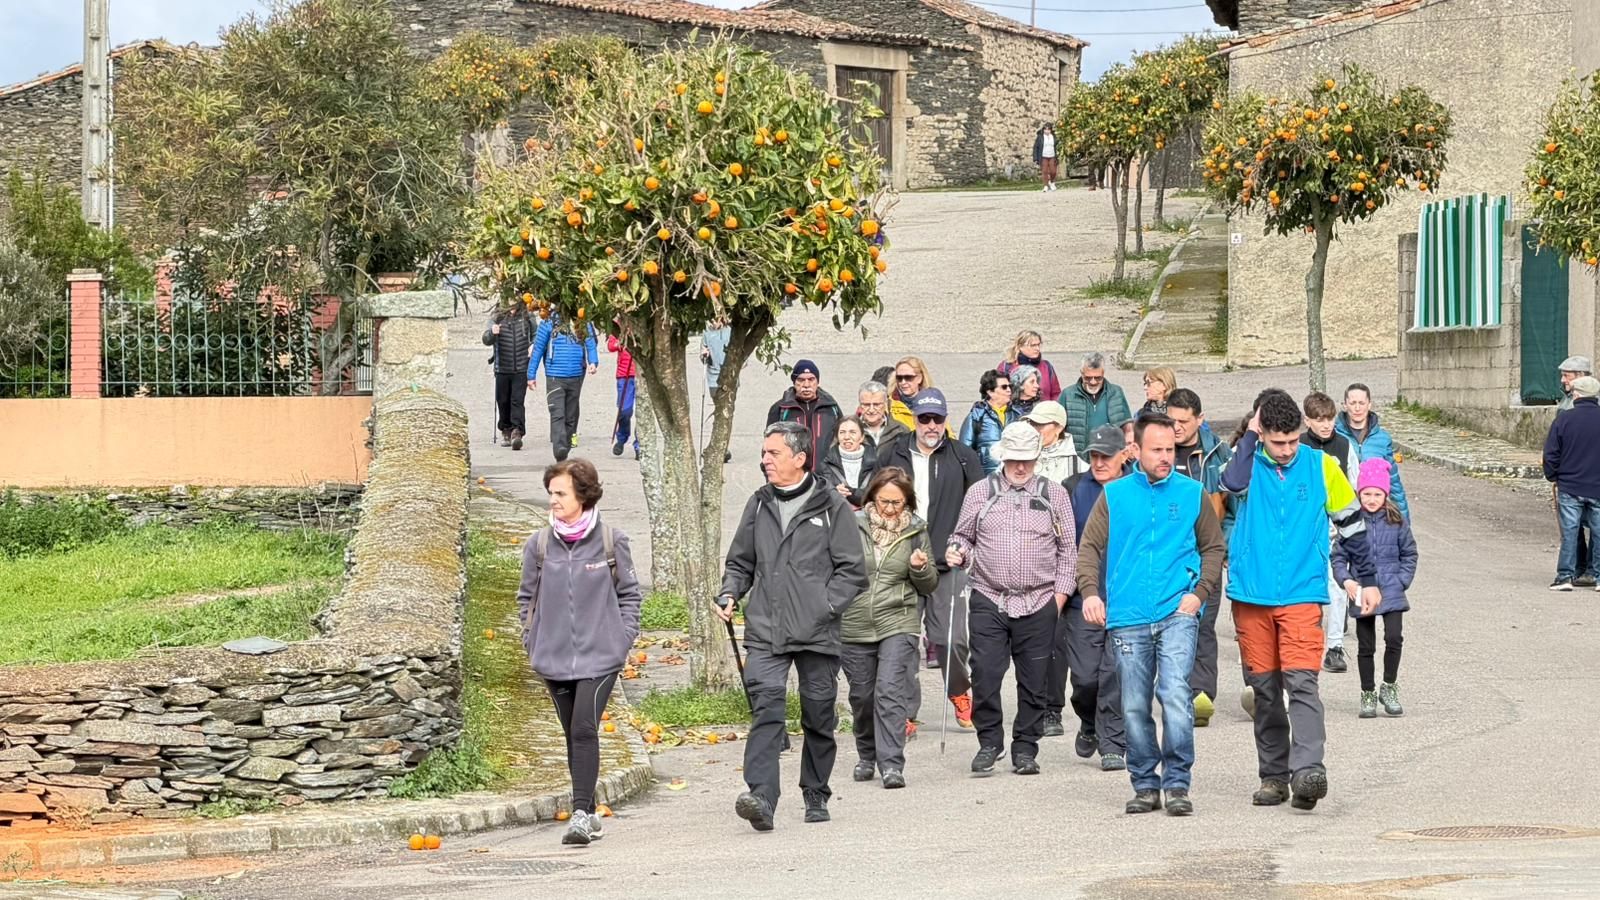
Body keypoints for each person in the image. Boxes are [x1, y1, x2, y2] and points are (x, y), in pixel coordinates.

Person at [1221, 390, 1380, 812]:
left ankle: (1308, 771)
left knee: (1302, 683)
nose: (1288, 449)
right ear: (1262, 434)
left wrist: (1367, 580)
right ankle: (1274, 777)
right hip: (1250, 595)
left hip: (1302, 593)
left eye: (1294, 440)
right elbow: (1230, 485)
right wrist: (1250, 437)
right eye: (1279, 442)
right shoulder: (1246, 463)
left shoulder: (1322, 466)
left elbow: (1352, 526)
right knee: (1265, 690)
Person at [716, 421, 868, 831]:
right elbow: (740, 561)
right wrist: (730, 592)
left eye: (773, 453)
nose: (765, 460)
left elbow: (853, 571)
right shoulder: (759, 503)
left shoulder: (831, 506)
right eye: (764, 453)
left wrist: (825, 605)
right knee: (766, 708)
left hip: (817, 631)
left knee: (818, 713)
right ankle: (762, 797)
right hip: (767, 628)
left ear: (799, 459)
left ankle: (816, 791)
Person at [1079, 414, 1226, 816]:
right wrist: (1090, 593)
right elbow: (1089, 547)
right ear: (1135, 451)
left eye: (1170, 449)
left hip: (1177, 610)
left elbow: (1214, 548)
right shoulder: (1114, 495)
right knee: (1133, 704)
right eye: (1156, 450)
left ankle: (1177, 783)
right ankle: (1145, 783)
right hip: (1127, 616)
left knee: (1175, 694)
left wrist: (1198, 594)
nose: (1165, 457)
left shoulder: (1193, 493)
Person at [516, 458, 642, 846]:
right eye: (550, 493)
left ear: (582, 495)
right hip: (552, 657)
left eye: (561, 493)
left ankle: (581, 815)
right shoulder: (538, 546)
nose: (553, 500)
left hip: (601, 656)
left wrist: (621, 639)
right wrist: (532, 640)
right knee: (572, 732)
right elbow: (525, 599)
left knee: (585, 728)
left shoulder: (611, 541)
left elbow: (629, 595)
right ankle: (587, 812)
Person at [946, 422, 1077, 777]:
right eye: (1014, 459)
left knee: (1035, 681)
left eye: (1027, 459)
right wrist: (957, 550)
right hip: (990, 597)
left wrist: (1059, 597)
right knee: (985, 674)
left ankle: (1025, 748)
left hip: (1039, 600)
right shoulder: (980, 492)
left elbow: (1068, 551)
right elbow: (962, 536)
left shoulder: (1054, 495)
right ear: (1003, 456)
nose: (1020, 467)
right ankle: (990, 742)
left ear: (1037, 458)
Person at [879, 389, 984, 723]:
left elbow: (980, 506)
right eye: (924, 418)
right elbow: (875, 500)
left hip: (946, 563)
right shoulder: (892, 453)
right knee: (904, 641)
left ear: (945, 420)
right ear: (914, 419)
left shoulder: (963, 456)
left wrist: (964, 545)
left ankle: (959, 689)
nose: (931, 425)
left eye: (937, 419)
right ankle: (906, 712)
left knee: (951, 639)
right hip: (902, 563)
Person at [843, 467, 938, 789]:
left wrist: (920, 569)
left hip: (899, 619)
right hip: (855, 621)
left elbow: (929, 584)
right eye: (884, 501)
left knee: (889, 691)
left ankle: (892, 764)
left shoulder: (916, 531)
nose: (889, 509)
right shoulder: (851, 525)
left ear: (907, 502)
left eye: (897, 503)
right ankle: (866, 755)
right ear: (872, 497)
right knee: (862, 697)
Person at [1043, 423, 1127, 771]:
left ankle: (1113, 743)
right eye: (1093, 455)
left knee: (1116, 674)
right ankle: (1089, 720)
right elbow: (1060, 543)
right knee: (1085, 678)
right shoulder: (1072, 487)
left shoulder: (1137, 487)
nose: (1099, 462)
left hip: (1126, 599)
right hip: (1083, 598)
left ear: (1124, 455)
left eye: (1106, 456)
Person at [1164, 388, 1232, 725]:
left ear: (1200, 420)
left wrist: (1224, 545)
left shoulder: (1218, 454)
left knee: (1202, 623)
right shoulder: (1156, 451)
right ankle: (1173, 690)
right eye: (1171, 420)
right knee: (1168, 626)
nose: (1176, 428)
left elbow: (1233, 506)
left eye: (1183, 421)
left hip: (1206, 553)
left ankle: (1200, 696)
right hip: (1167, 555)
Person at [1334, 459, 1417, 719]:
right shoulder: (1351, 523)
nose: (1371, 499)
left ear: (1385, 495)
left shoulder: (1396, 521)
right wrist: (1347, 580)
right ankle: (1367, 691)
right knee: (1365, 645)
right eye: (1366, 494)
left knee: (1394, 638)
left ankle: (1389, 686)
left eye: (1377, 494)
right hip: (1362, 589)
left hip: (1392, 589)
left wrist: (1401, 581)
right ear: (1359, 494)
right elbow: (1338, 558)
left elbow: (1410, 553)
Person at [1301, 391, 1360, 674]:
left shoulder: (1345, 446)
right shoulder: (1299, 447)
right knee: (1306, 588)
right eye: (1319, 420)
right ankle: (1304, 641)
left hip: (1336, 531)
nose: (1326, 425)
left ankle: (1335, 647)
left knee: (1338, 587)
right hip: (1305, 532)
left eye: (1329, 419)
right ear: (1307, 421)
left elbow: (1355, 485)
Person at [1544, 376, 1600, 591]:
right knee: (1599, 533)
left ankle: (1565, 577)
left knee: (1570, 532)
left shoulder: (1564, 419)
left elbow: (1551, 453)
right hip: (1597, 486)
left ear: (1576, 395)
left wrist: (1552, 475)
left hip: (1570, 485)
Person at [528, 312, 599, 461]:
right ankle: (559, 448)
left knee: (571, 416)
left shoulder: (581, 320)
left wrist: (593, 361)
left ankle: (565, 447)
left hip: (576, 375)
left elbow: (590, 342)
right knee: (557, 413)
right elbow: (538, 348)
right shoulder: (548, 321)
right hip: (555, 376)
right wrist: (531, 375)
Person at [1335, 383, 1409, 519]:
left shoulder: (1382, 439)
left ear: (1369, 405)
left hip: (1374, 510)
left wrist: (1404, 522)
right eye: (1353, 403)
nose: (1357, 408)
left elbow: (1393, 482)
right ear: (1345, 405)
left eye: (1362, 403)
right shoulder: (1334, 437)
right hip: (1344, 510)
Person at [767, 359, 843, 473]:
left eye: (811, 379)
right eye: (801, 380)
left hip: (827, 477)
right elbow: (769, 447)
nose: (806, 385)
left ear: (817, 382)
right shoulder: (780, 409)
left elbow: (842, 441)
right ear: (794, 382)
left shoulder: (831, 407)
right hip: (792, 476)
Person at [1556, 357, 1593, 582]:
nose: (1563, 380)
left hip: (1589, 471)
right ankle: (1579, 566)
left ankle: (1591, 569)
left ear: (1580, 376)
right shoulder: (1566, 400)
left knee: (1594, 525)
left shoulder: (1590, 401)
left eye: (1566, 375)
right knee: (1573, 526)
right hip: (1570, 471)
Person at [484, 302, 533, 450]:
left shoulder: (527, 315)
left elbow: (536, 334)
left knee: (517, 400)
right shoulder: (497, 315)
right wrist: (492, 333)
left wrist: (533, 345)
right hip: (502, 367)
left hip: (521, 367)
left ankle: (517, 432)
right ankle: (505, 430)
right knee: (503, 401)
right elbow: (486, 339)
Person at [1063, 352, 1131, 458]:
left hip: (1110, 458)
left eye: (1098, 378)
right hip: (1078, 459)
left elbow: (1127, 426)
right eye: (1088, 378)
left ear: (1103, 373)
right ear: (1081, 373)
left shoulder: (1116, 393)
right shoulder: (1067, 395)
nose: (1093, 382)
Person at [960, 369, 1012, 475]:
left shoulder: (1017, 415)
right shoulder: (976, 416)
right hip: (986, 477)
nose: (1009, 390)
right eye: (1004, 387)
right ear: (990, 392)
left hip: (1013, 476)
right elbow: (964, 452)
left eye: (1010, 386)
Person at [818, 416, 877, 510]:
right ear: (837, 437)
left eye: (852, 432)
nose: (846, 437)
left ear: (862, 437)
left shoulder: (877, 464)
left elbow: (879, 494)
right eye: (842, 432)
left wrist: (849, 492)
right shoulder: (825, 465)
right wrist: (833, 493)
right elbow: (818, 496)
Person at [1024, 401, 1083, 483]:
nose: (1034, 429)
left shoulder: (1078, 468)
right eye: (1032, 423)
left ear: (1059, 428)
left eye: (1040, 424)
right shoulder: (1019, 456)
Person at [998, 330, 1063, 402]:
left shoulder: (1047, 366)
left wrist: (1053, 407)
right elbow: (998, 393)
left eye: (1038, 345)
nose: (1037, 349)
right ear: (1020, 347)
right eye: (1033, 345)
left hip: (1044, 408)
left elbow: (1056, 394)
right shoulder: (1006, 367)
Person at [605, 333, 639, 459]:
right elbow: (611, 346)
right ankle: (622, 437)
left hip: (642, 374)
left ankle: (639, 445)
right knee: (624, 411)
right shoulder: (618, 326)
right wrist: (622, 342)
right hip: (624, 375)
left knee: (642, 412)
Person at [857, 381, 910, 449]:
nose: (871, 410)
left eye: (876, 405)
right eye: (866, 405)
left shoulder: (901, 430)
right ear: (860, 405)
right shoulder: (849, 430)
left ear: (886, 404)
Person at [889, 356, 936, 430]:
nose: (903, 382)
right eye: (899, 378)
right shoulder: (888, 405)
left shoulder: (934, 404)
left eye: (908, 377)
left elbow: (947, 433)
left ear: (919, 378)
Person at [1033, 122, 1059, 192]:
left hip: (1052, 156)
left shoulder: (1054, 136)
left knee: (1053, 171)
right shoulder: (1040, 137)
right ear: (1043, 130)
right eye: (1045, 129)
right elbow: (1036, 147)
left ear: (1051, 130)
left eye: (1048, 129)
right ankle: (1046, 186)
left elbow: (1057, 145)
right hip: (1043, 156)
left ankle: (1052, 182)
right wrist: (1035, 158)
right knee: (1044, 171)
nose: (1047, 131)